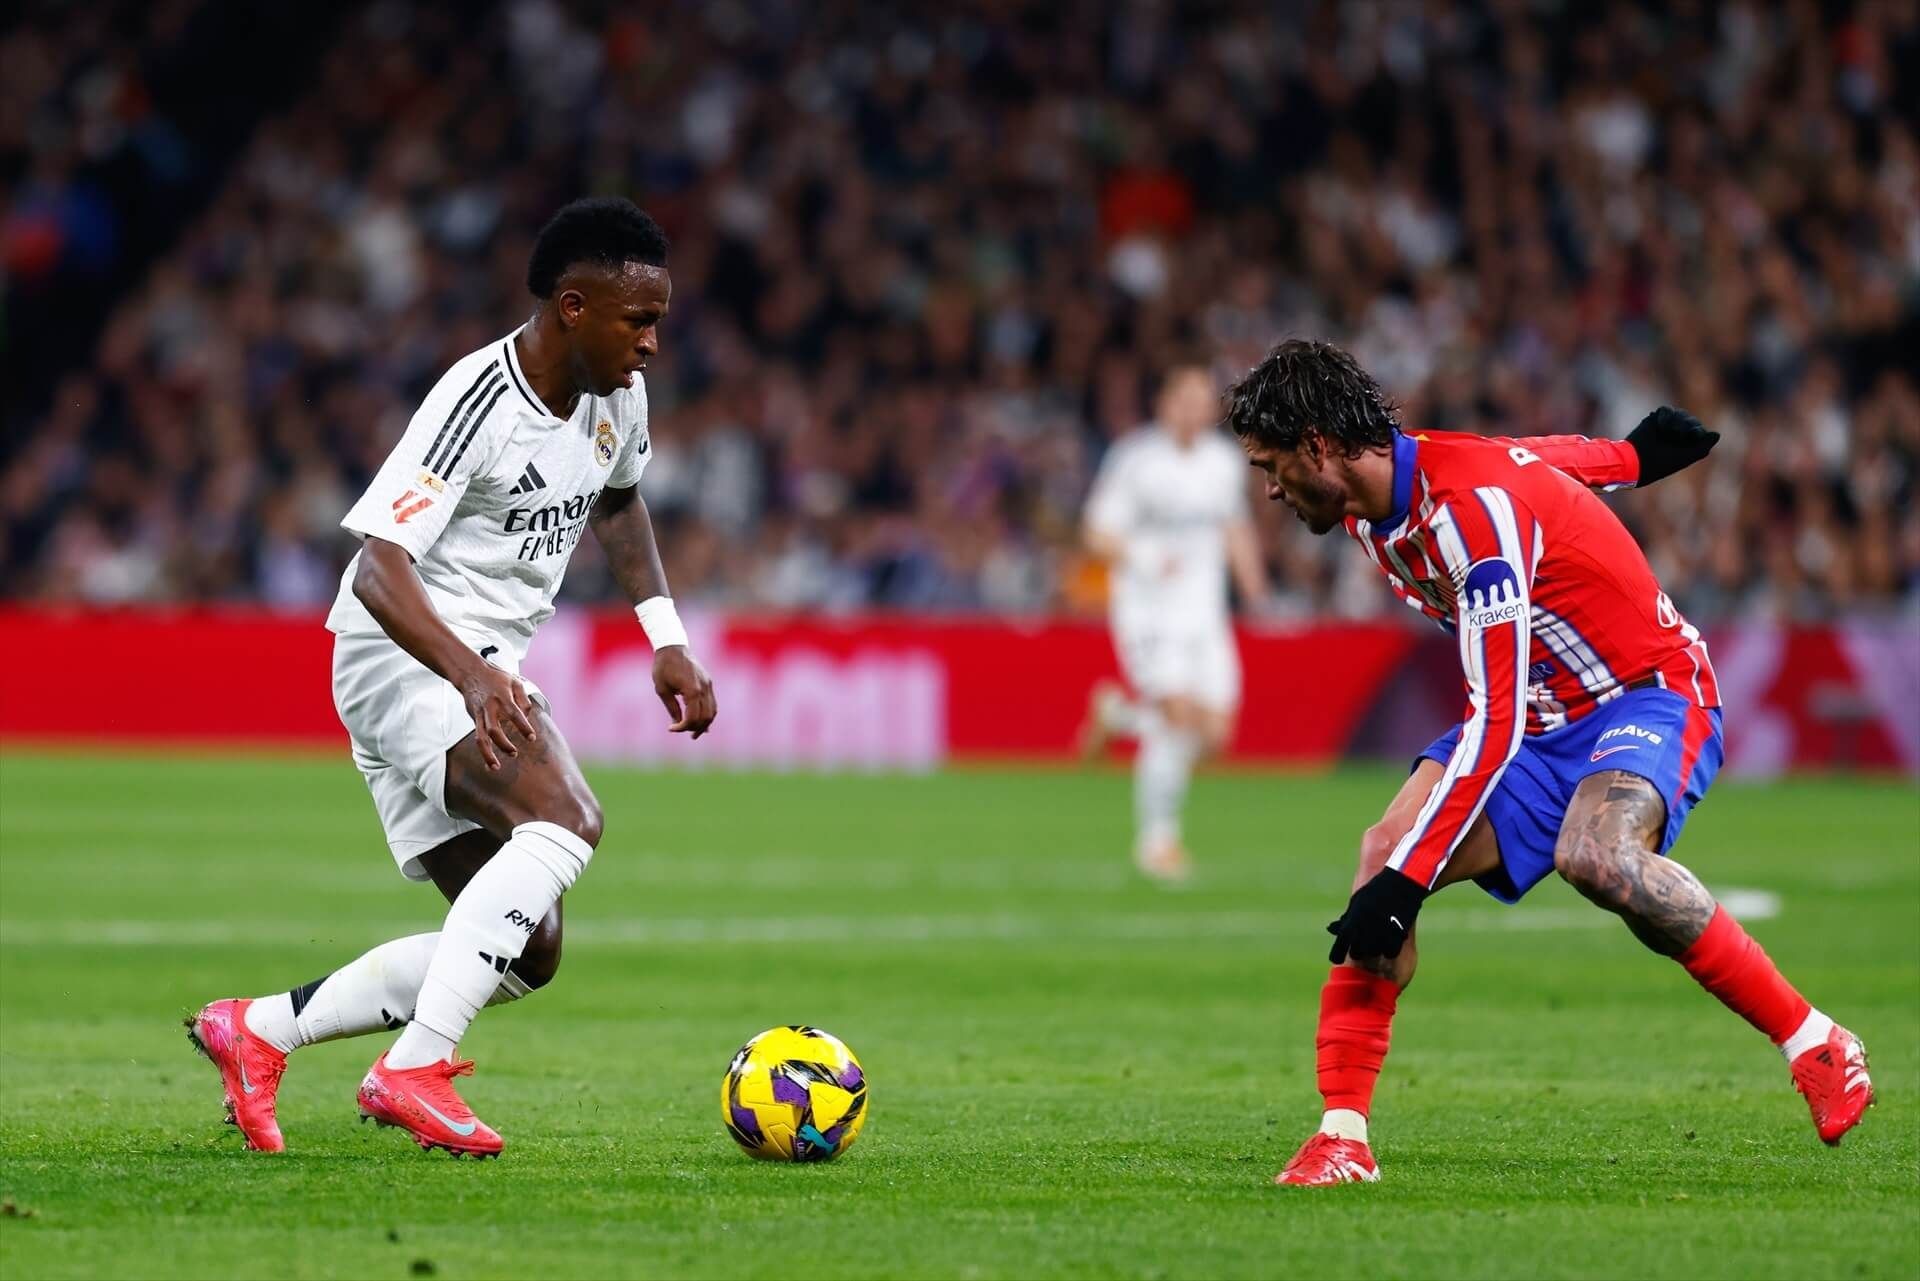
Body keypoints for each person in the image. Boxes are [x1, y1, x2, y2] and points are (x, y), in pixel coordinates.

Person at [1224, 339, 1872, 1187]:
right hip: (1538, 709)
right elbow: (1537, 459)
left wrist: (1409, 884)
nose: (1269, 487)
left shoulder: (1466, 521)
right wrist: (1632, 458)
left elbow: (1489, 724)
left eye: (1273, 465)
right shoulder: (1379, 498)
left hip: (1643, 694)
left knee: (1595, 856)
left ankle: (1816, 1041)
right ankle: (1342, 1139)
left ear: (1318, 445)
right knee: (1380, 854)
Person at [186, 197, 718, 1158]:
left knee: (526, 950)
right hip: (405, 653)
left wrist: (664, 634)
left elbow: (623, 505)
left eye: (659, 321)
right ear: (571, 306)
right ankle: (412, 1068)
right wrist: (471, 675)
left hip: (473, 667)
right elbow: (379, 563)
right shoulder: (480, 399)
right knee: (569, 817)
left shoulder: (618, 400)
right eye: (636, 320)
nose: (651, 342)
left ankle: (259, 1028)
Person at [1080, 361, 1270, 882]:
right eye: (1183, 397)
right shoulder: (1136, 460)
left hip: (1204, 616)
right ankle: (1157, 841)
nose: (1193, 409)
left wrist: (1255, 587)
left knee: (1216, 736)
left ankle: (1118, 718)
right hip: (1149, 613)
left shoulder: (1223, 464)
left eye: (1202, 399)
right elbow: (1095, 534)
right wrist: (1141, 557)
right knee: (1179, 718)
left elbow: (1235, 528)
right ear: (1164, 402)